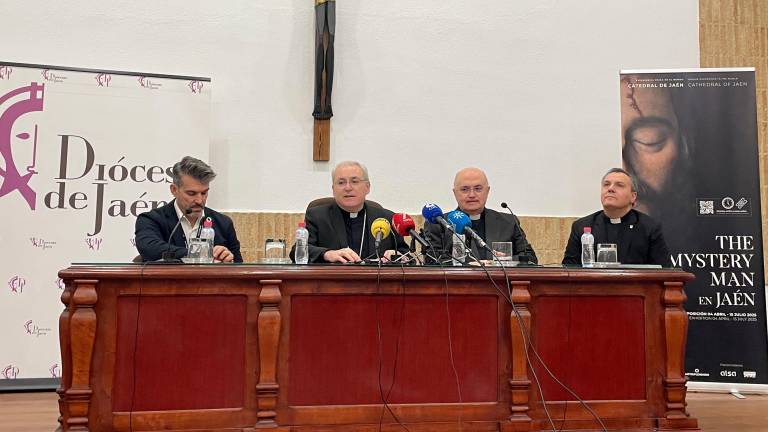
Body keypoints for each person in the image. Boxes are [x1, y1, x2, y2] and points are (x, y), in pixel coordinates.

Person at [291, 161, 408, 263]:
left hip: (376, 285)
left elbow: (406, 253)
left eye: (354, 181)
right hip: (331, 285)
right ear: (333, 189)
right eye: (341, 183)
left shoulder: (386, 218)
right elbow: (297, 251)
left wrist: (397, 255)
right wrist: (327, 254)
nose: (348, 188)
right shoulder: (317, 216)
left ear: (367, 187)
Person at [135, 156, 242, 262]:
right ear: (174, 190)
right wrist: (201, 254)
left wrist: (228, 260)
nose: (200, 200)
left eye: (204, 193)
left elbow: (239, 268)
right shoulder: (151, 219)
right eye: (191, 193)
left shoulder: (223, 223)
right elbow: (149, 249)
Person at [423, 167, 537, 263]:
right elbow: (431, 261)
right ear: (455, 193)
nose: (472, 195)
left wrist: (498, 262)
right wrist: (472, 264)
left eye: (478, 189)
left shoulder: (508, 222)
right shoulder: (438, 224)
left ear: (487, 191)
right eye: (464, 189)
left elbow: (530, 259)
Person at [562, 168, 669, 266]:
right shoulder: (581, 226)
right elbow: (569, 269)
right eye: (606, 184)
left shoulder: (649, 227)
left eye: (619, 185)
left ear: (633, 197)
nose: (610, 189)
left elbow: (664, 271)